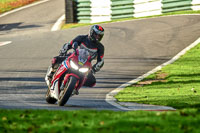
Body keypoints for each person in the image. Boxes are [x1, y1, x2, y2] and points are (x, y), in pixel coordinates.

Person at [48, 25, 105, 93]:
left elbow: (101, 61)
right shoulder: (82, 38)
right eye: (96, 35)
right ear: (91, 32)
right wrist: (64, 51)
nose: (97, 37)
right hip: (74, 57)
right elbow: (70, 44)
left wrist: (93, 69)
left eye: (99, 36)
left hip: (86, 63)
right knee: (56, 59)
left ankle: (75, 87)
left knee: (92, 82)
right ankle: (51, 73)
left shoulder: (100, 47)